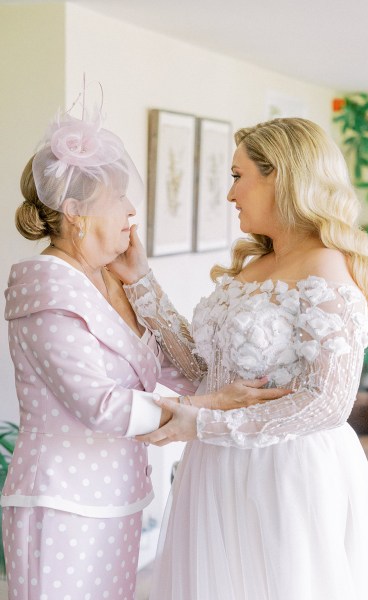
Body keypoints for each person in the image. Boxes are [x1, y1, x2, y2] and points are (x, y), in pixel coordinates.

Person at [2, 105, 286, 600]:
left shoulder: (110, 280)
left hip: (119, 496)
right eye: (119, 197)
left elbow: (184, 372)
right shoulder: (46, 289)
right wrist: (211, 407)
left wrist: (140, 283)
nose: (132, 210)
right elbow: (101, 406)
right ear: (75, 210)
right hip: (63, 500)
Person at [110, 117, 368, 600]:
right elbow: (205, 374)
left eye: (238, 176)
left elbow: (327, 402)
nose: (230, 194)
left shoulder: (327, 266)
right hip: (217, 466)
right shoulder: (256, 265)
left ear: (281, 176)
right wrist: (140, 281)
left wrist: (199, 426)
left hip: (286, 472)